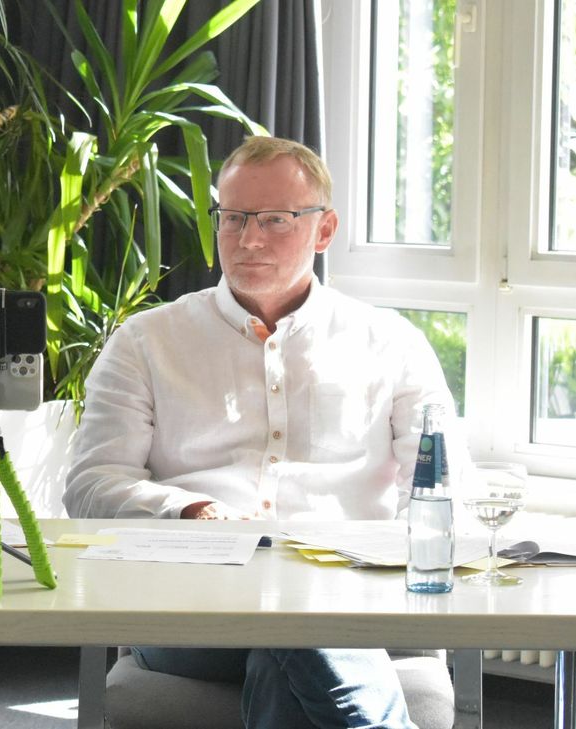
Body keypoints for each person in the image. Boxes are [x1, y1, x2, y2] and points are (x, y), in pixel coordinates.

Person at [63, 136, 458, 729]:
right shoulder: (146, 342)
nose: (248, 239)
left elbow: (439, 484)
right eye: (234, 218)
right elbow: (91, 484)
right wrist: (189, 509)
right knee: (298, 627)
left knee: (290, 644)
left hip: (349, 597)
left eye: (275, 220)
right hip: (192, 604)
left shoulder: (390, 343)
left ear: (324, 231)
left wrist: (385, 567)